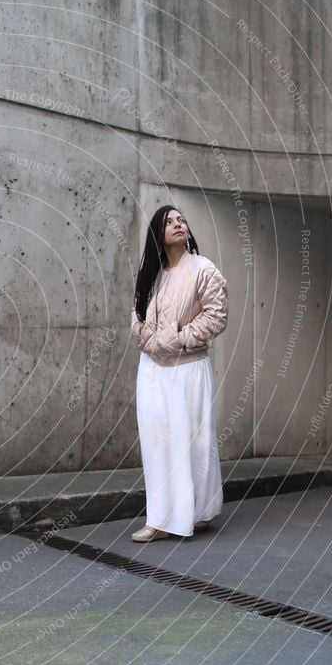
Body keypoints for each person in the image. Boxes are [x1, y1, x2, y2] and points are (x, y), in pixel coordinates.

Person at [130, 205, 228, 542]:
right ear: (158, 233)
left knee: (195, 442)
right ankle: (159, 518)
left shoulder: (204, 270)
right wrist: (153, 344)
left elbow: (216, 316)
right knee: (157, 441)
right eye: (169, 222)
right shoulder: (150, 274)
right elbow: (136, 317)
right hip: (152, 370)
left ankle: (198, 511)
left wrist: (178, 340)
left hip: (188, 369)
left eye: (181, 220)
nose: (178, 225)